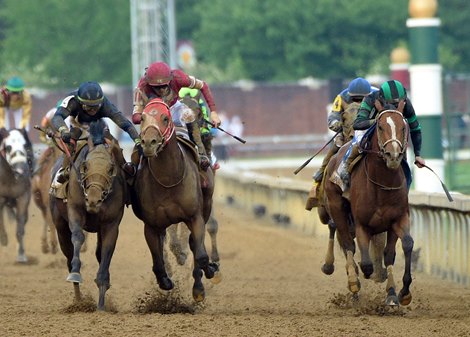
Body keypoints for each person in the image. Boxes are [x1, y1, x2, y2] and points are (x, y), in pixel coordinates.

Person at [128, 61, 221, 175]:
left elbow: (203, 85)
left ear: (171, 79)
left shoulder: (179, 77)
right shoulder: (142, 85)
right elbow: (135, 117)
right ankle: (133, 166)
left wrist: (213, 112)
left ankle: (202, 155)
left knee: (189, 114)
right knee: (145, 134)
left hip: (174, 107)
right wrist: (145, 117)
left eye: (164, 86)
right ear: (149, 83)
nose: (161, 90)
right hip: (154, 113)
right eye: (157, 88)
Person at [333, 79, 426, 191]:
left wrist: (417, 155)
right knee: (358, 141)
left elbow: (415, 128)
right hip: (368, 128)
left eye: (396, 104)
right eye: (390, 104)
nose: (394, 107)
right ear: (381, 98)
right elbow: (357, 124)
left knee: (399, 142)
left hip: (391, 135)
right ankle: (344, 168)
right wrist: (378, 120)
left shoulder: (406, 103)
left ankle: (405, 184)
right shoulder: (371, 98)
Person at [51, 81, 141, 184]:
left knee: (114, 143)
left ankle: (124, 169)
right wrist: (63, 130)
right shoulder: (72, 100)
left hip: (99, 127)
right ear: (80, 102)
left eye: (96, 106)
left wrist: (138, 140)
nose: (93, 110)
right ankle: (65, 170)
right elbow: (57, 117)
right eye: (89, 107)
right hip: (77, 126)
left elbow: (125, 124)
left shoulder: (105, 104)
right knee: (71, 141)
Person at [305, 77, 375, 210]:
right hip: (346, 136)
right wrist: (335, 124)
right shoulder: (341, 97)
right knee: (336, 147)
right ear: (350, 96)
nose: (358, 102)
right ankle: (319, 180)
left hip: (370, 135)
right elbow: (333, 116)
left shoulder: (376, 96)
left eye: (361, 99)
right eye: (355, 99)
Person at [178, 87, 219, 169]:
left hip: (181, 130)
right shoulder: (200, 102)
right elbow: (205, 117)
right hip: (200, 132)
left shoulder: (178, 102)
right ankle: (209, 164)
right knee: (207, 151)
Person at [0, 76, 35, 173]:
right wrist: (2, 128)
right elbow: (1, 113)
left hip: (20, 108)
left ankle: (31, 161)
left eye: (18, 92)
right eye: (14, 93)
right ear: (8, 91)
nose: (16, 95)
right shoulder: (2, 96)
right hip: (4, 107)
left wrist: (22, 128)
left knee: (24, 133)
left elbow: (26, 113)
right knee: (3, 132)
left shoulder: (26, 96)